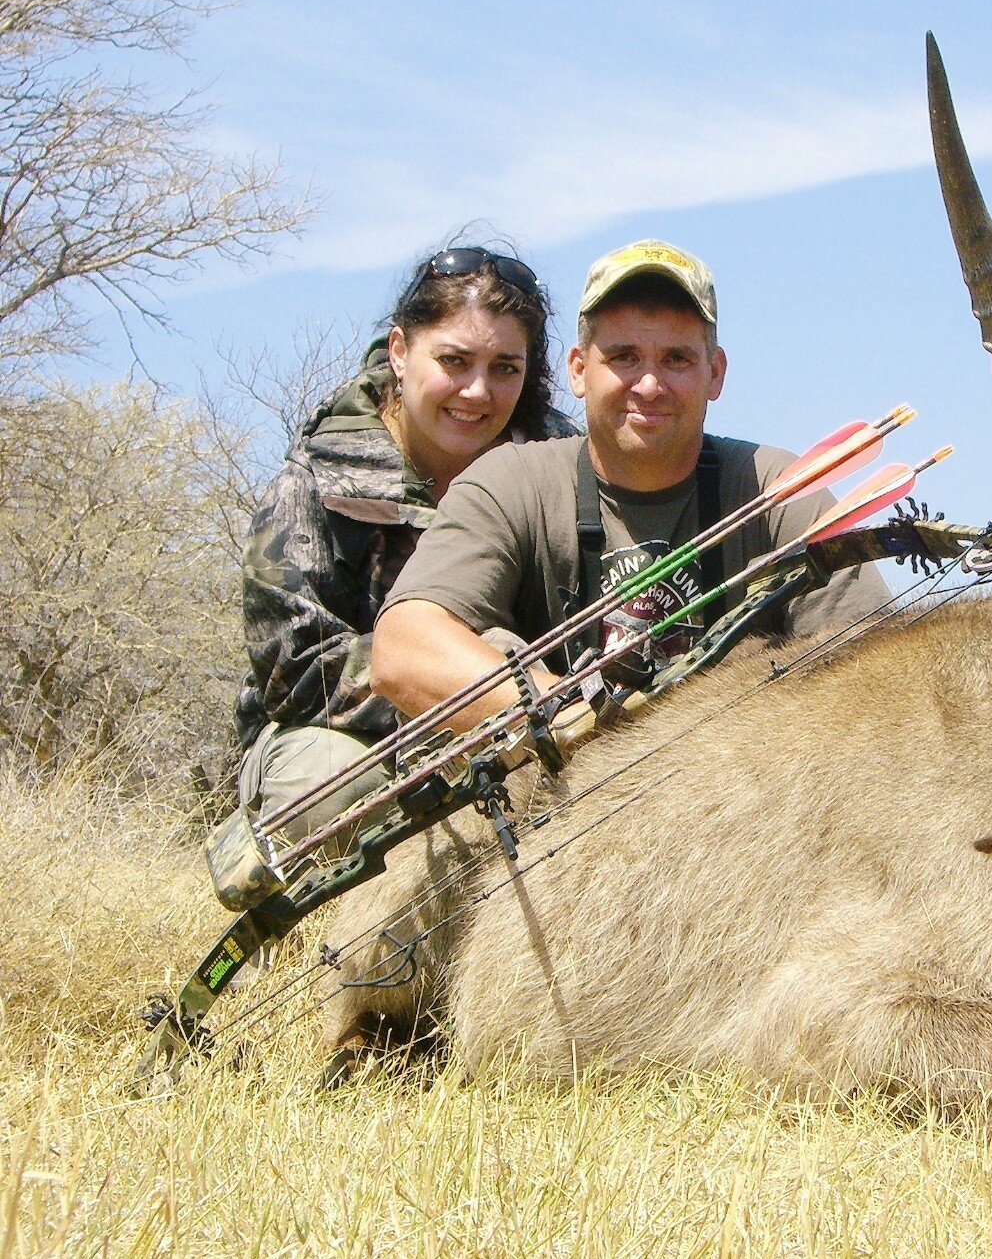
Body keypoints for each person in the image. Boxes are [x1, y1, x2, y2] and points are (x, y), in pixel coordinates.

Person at [371, 239, 891, 730]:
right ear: (578, 370)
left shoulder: (781, 490)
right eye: (623, 357)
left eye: (677, 359)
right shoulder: (510, 482)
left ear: (715, 372)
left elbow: (880, 668)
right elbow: (403, 651)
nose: (649, 384)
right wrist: (579, 719)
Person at [234, 247, 581, 849]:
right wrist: (457, 676)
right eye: (454, 360)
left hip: (530, 716)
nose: (477, 392)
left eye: (505, 368)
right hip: (348, 740)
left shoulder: (562, 468)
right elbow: (295, 675)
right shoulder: (313, 480)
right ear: (399, 351)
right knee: (331, 788)